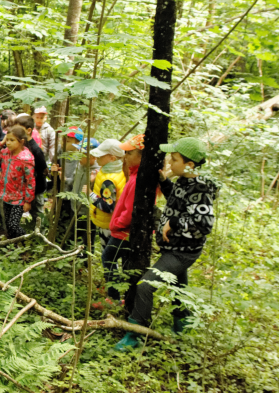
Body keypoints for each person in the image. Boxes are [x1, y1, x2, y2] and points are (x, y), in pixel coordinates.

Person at [115, 137, 218, 351]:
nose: (170, 164)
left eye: (175, 160)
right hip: (174, 247)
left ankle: (134, 335)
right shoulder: (184, 182)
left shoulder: (200, 189)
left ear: (189, 165)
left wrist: (173, 222)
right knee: (178, 288)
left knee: (145, 286)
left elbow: (204, 224)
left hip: (182, 252)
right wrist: (164, 182)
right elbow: (177, 199)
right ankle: (183, 326)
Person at [103, 134, 144, 303]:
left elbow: (130, 211)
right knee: (123, 263)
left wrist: (117, 225)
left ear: (141, 156)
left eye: (130, 154)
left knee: (108, 258)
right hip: (123, 231)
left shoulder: (138, 180)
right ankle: (122, 296)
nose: (125, 157)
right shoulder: (133, 175)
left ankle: (113, 297)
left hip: (123, 232)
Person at [0, 127, 36, 239]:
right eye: (7, 139)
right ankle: (13, 247)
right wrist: (1, 142)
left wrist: (28, 200)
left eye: (12, 140)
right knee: (8, 225)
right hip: (6, 195)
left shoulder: (25, 159)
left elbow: (30, 181)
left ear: (21, 141)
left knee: (13, 225)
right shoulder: (6, 153)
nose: (8, 143)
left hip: (19, 198)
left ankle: (27, 239)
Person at [89, 139, 127, 253]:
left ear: (112, 158)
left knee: (108, 256)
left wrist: (90, 194)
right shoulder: (117, 170)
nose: (97, 158)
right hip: (111, 222)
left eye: (101, 155)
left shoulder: (109, 181)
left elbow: (108, 206)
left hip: (108, 226)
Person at [15, 115, 50, 226]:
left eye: (19, 129)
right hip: (22, 188)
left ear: (29, 130)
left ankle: (41, 235)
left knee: (37, 214)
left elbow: (43, 170)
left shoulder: (36, 150)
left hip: (37, 188)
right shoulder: (20, 145)